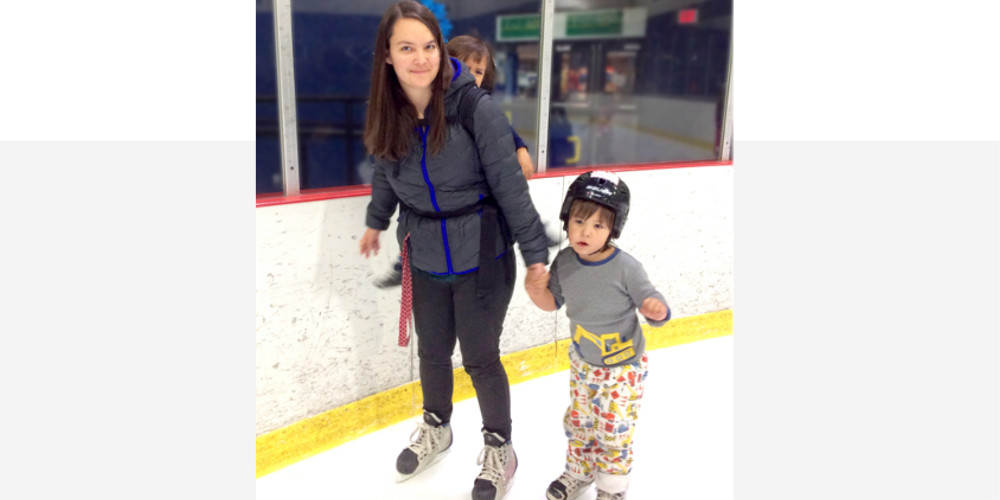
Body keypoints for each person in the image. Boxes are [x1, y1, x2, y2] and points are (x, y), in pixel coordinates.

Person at [358, 2, 551, 499]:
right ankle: (437, 426)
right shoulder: (389, 111)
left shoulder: (473, 108)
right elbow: (385, 167)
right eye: (406, 48)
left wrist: (535, 257)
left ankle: (499, 447)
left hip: (480, 251)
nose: (420, 58)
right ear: (387, 55)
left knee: (481, 358)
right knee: (433, 350)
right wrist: (377, 222)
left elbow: (511, 186)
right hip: (423, 249)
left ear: (439, 50)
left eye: (427, 47)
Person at [524, 170, 670, 500]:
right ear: (566, 220)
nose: (585, 232)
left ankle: (611, 489)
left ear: (612, 229)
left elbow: (652, 299)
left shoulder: (626, 268)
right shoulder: (564, 262)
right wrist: (536, 292)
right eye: (578, 221)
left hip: (623, 371)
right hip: (584, 365)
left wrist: (655, 309)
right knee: (580, 424)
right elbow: (552, 303)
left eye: (598, 226)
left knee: (613, 432)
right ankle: (579, 472)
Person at [372, 33, 536, 289]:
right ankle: (402, 261)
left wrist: (520, 147)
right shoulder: (420, 102)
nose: (469, 76)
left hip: (472, 208)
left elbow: (499, 131)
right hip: (427, 203)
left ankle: (533, 234)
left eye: (478, 71)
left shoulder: (478, 107)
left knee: (506, 195)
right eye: (463, 67)